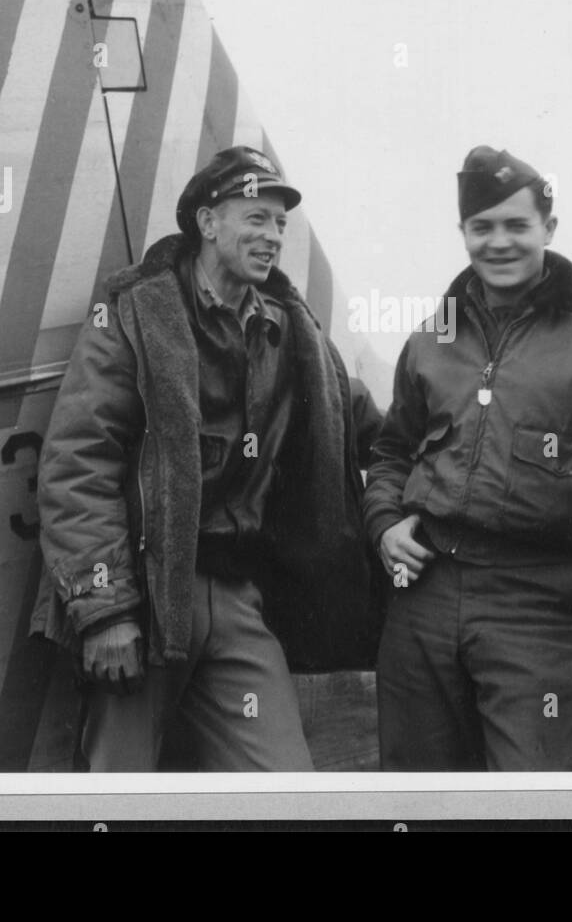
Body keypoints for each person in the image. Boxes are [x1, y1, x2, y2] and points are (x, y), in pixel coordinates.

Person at [34, 145, 381, 771]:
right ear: (207, 221)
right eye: (256, 218)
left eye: (279, 223)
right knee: (120, 790)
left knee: (288, 790)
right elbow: (79, 462)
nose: (272, 236)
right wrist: (104, 609)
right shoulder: (133, 313)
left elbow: (372, 429)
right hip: (150, 592)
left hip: (241, 597)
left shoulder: (291, 333)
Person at [364, 145, 572, 771]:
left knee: (543, 798)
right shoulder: (432, 337)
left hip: (538, 608)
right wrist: (384, 520)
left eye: (517, 225)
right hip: (423, 604)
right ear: (462, 233)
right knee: (420, 796)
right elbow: (389, 451)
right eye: (481, 227)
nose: (499, 243)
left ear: (550, 228)